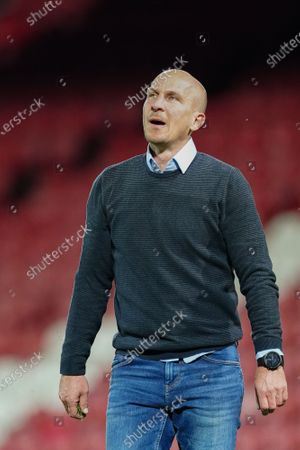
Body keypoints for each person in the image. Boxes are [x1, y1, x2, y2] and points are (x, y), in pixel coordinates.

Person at [59, 69, 288, 450]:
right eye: (152, 95)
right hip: (135, 375)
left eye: (173, 98)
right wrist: (72, 366)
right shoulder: (110, 185)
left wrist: (270, 360)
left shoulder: (226, 183)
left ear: (198, 120)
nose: (158, 103)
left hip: (211, 373)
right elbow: (91, 282)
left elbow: (257, 276)